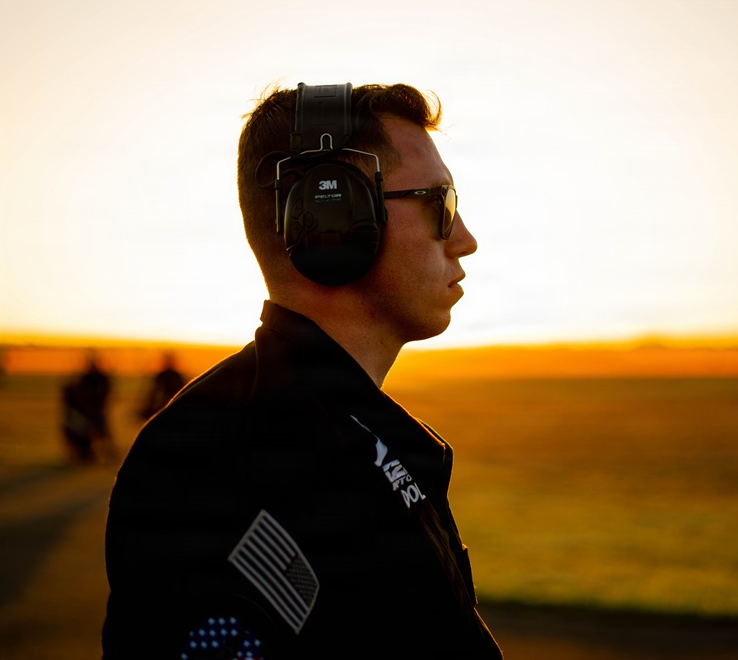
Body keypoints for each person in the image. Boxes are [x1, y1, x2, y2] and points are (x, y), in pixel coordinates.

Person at [102, 82, 502, 659]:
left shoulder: (355, 436)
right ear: (333, 214)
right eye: (439, 202)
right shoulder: (209, 464)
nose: (465, 240)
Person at [61, 350, 112, 463]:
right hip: (86, 411)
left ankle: (107, 453)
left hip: (96, 409)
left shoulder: (100, 378)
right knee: (84, 431)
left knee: (101, 432)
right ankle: (86, 453)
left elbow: (104, 393)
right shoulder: (86, 378)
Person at [138, 352, 186, 419]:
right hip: (172, 402)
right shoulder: (175, 375)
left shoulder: (165, 375)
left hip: (168, 401)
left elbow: (154, 391)